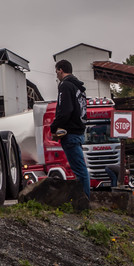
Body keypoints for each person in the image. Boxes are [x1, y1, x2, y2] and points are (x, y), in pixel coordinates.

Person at [51, 59, 90, 198]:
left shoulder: (66, 85)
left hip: (70, 133)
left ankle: (84, 201)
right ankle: (82, 198)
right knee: (80, 169)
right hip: (79, 131)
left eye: (56, 71)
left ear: (61, 70)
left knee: (80, 171)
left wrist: (54, 126)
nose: (56, 74)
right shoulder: (78, 87)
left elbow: (65, 110)